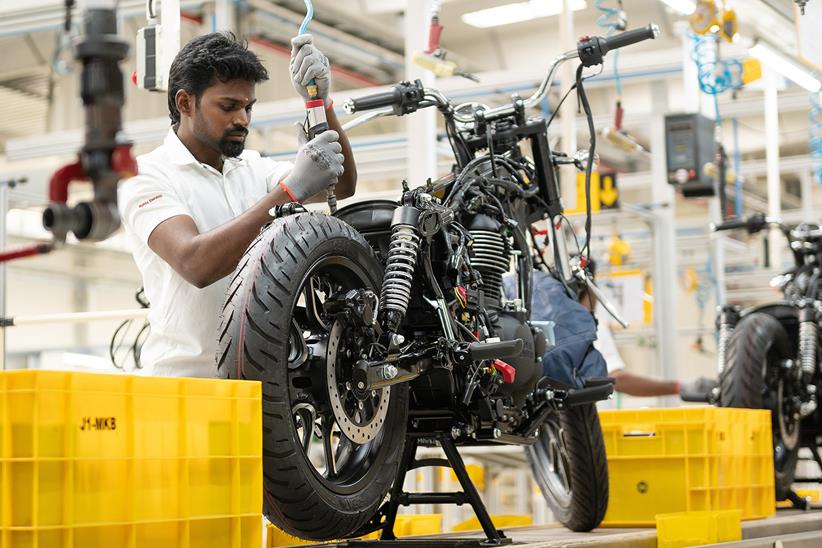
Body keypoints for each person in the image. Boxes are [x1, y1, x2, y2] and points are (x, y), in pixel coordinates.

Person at [118, 32, 354, 377]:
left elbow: (342, 184)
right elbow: (195, 263)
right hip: (185, 385)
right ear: (185, 103)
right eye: (228, 107)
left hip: (265, 384)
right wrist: (289, 192)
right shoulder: (146, 176)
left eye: (248, 107)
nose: (242, 119)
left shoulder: (254, 168)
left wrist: (321, 104)